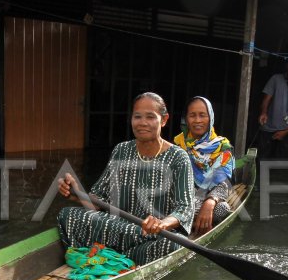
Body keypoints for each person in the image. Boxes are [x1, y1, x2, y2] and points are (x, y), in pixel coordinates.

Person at [57, 92, 195, 266]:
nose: (142, 123)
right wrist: (76, 193)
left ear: (164, 120)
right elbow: (98, 201)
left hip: (150, 236)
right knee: (67, 215)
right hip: (118, 229)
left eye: (150, 117)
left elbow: (185, 209)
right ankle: (127, 256)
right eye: (137, 117)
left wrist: (162, 224)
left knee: (173, 244)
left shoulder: (178, 157)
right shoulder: (121, 150)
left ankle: (114, 255)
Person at [174, 96, 235, 236]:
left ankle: (192, 222)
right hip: (183, 199)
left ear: (211, 118)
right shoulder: (178, 145)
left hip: (209, 198)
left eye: (202, 115)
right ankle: (189, 221)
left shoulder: (222, 147)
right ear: (186, 119)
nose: (197, 120)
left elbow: (224, 183)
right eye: (192, 115)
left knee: (223, 208)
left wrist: (210, 202)